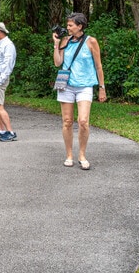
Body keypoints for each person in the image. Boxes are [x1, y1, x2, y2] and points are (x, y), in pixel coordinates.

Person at [52, 12, 106, 170]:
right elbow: (58, 63)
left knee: (83, 121)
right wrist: (56, 44)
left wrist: (102, 88)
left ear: (80, 26)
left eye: (70, 25)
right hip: (66, 85)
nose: (67, 28)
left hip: (85, 85)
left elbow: (98, 66)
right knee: (67, 121)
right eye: (67, 25)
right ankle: (69, 155)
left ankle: (82, 154)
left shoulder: (91, 42)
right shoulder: (65, 41)